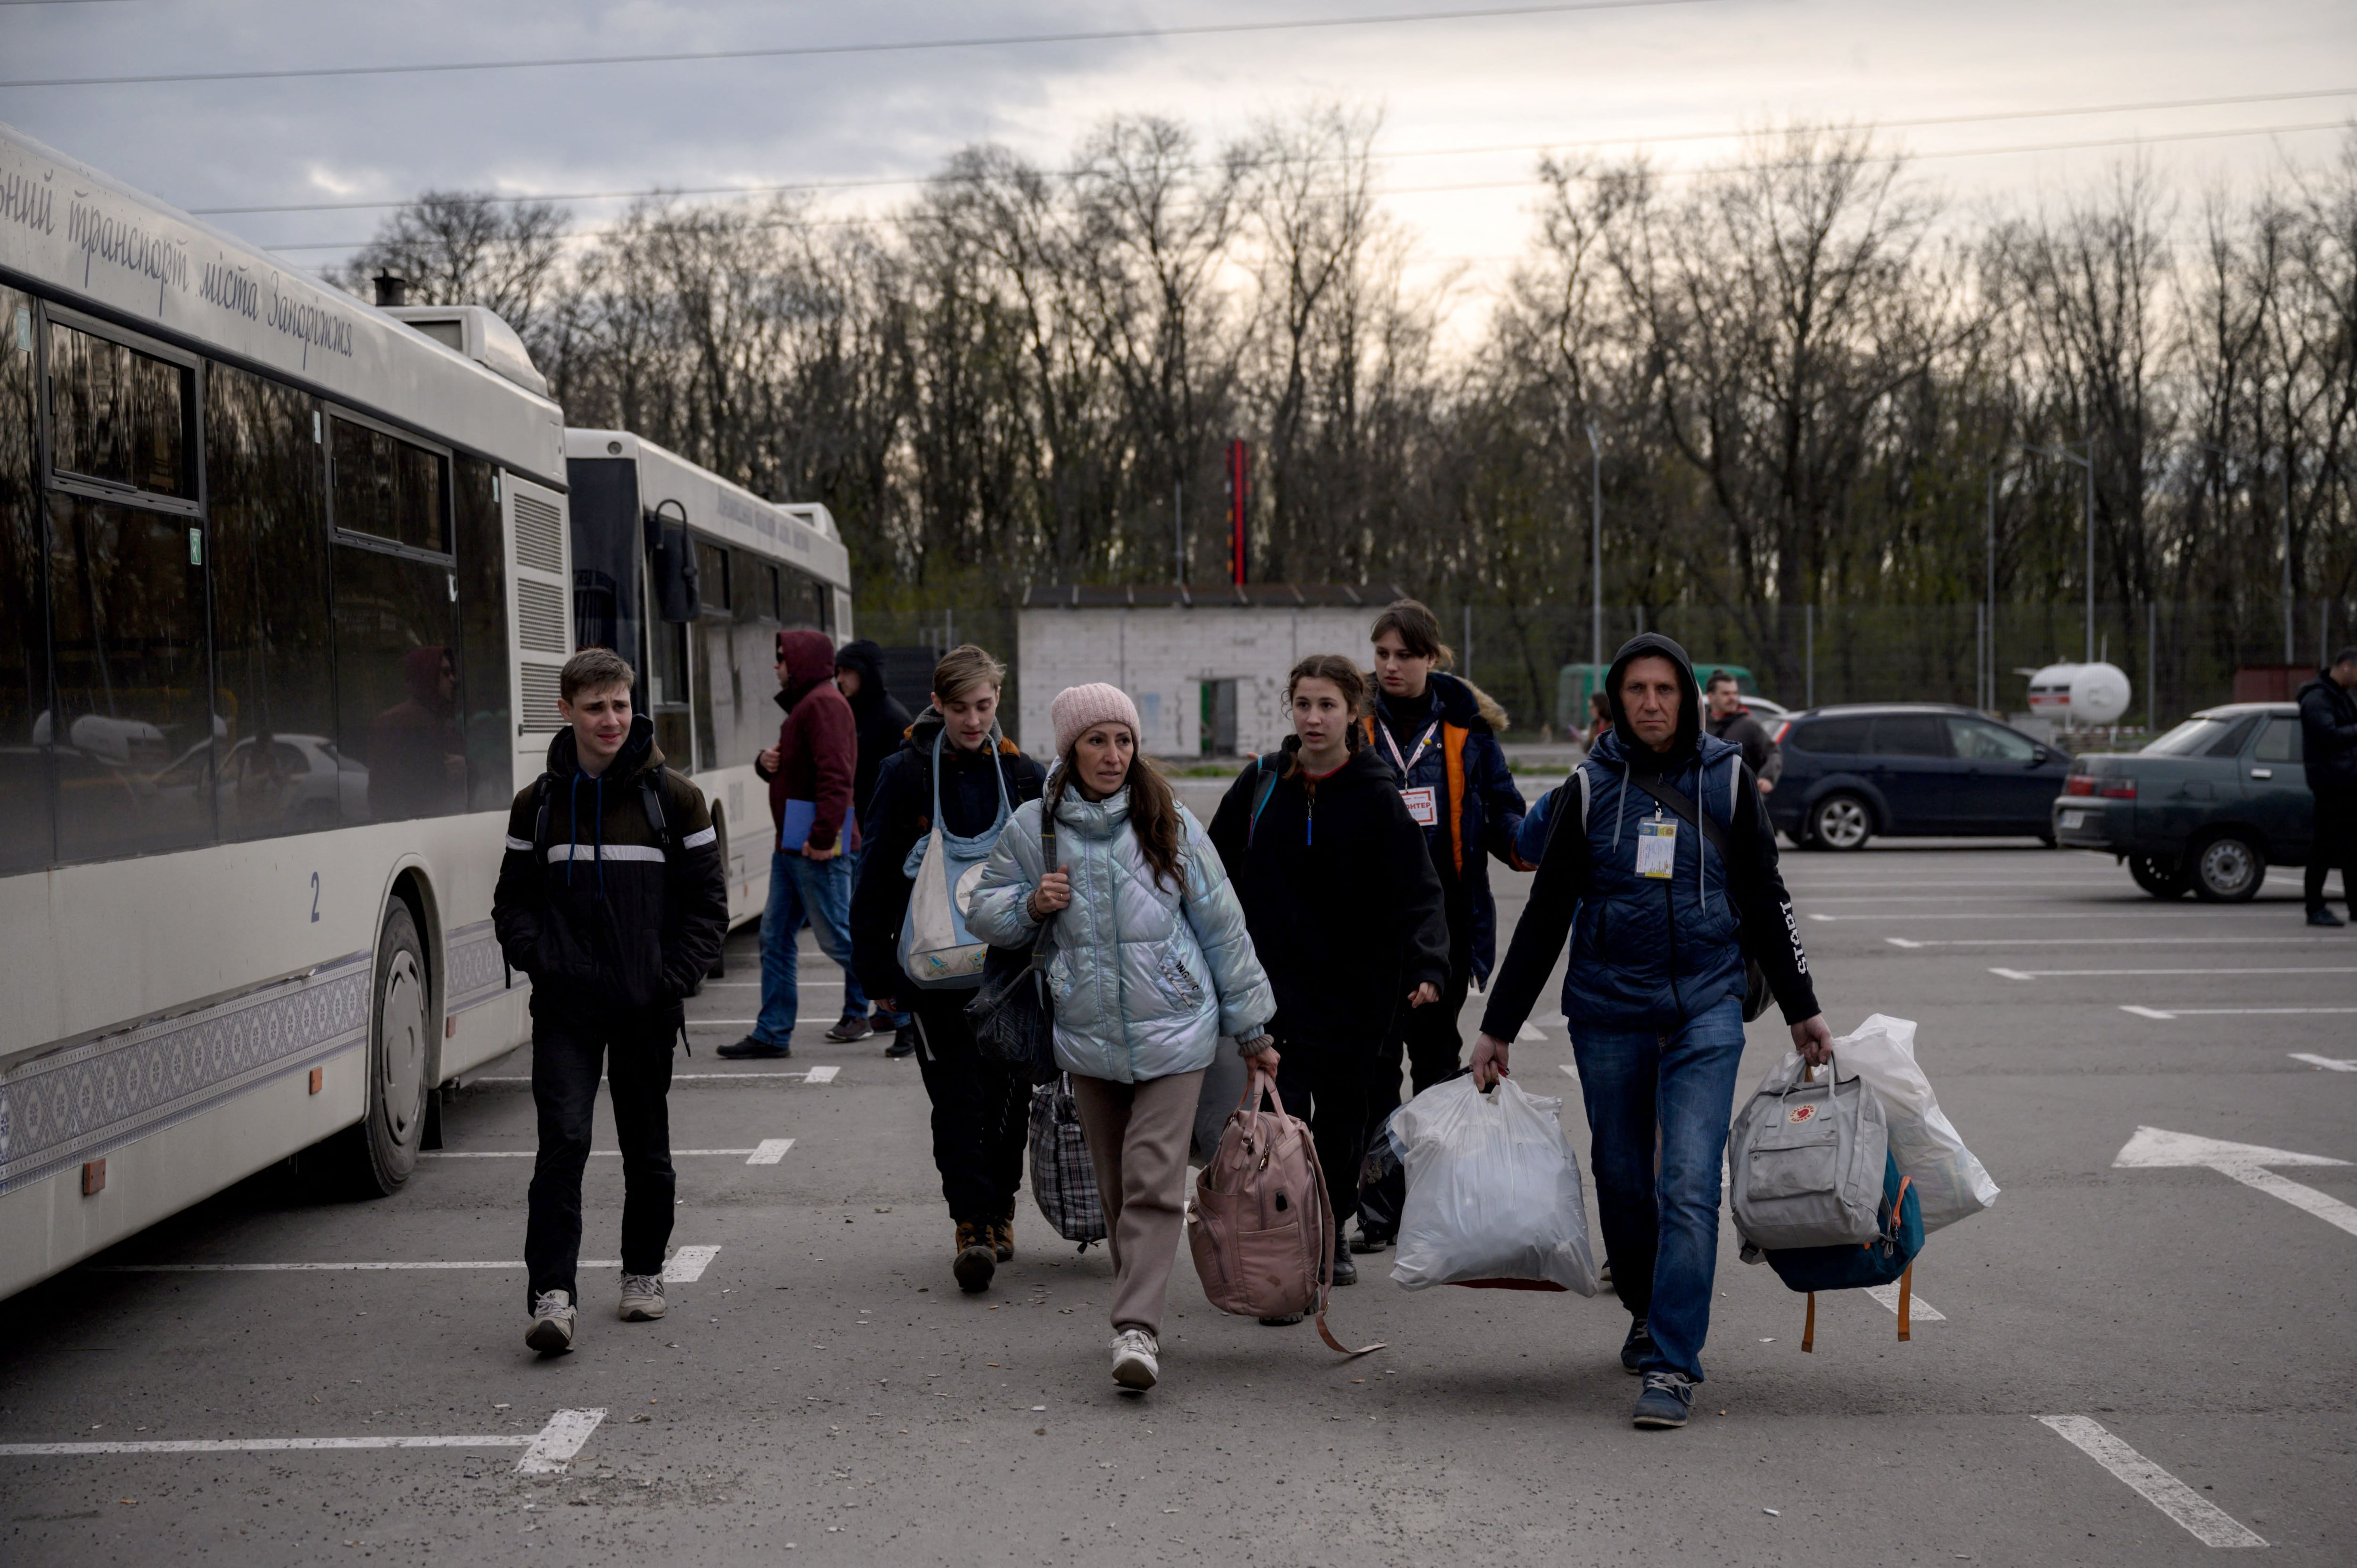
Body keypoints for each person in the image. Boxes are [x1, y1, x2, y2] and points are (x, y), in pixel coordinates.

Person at [1468, 632, 1833, 1431]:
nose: (1652, 703)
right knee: (1626, 1181)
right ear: (1616, 699)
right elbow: (1546, 913)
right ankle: (1642, 1305)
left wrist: (1804, 1008)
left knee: (1690, 1183)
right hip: (1606, 1010)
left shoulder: (1729, 779)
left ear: (1689, 696)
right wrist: (1497, 1026)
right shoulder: (1589, 787)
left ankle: (1673, 1361)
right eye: (1636, 689)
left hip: (1706, 1005)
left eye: (1666, 689)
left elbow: (1768, 901)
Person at [969, 683, 1275, 1392]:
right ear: (1070, 748)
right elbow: (984, 909)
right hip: (1087, 1036)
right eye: (1098, 740)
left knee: (1152, 1176)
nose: (1114, 755)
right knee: (1116, 1191)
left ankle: (1136, 1326)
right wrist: (1028, 902)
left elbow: (1224, 927)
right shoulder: (1031, 827)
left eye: (1124, 740)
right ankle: (1135, 1303)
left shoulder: (1168, 818)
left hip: (1178, 1028)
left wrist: (1252, 1027)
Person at [492, 647, 728, 1355]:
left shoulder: (674, 799)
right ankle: (552, 1294)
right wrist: (542, 960)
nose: (611, 719)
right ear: (566, 712)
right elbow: (512, 903)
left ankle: (643, 1271)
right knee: (562, 1144)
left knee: (646, 1148)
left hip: (645, 1006)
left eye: (621, 704)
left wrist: (671, 978)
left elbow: (706, 907)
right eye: (595, 707)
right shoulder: (537, 805)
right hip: (566, 1008)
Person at [1208, 655, 1449, 1296]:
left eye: (1328, 705)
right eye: (1304, 704)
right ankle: (1289, 1237)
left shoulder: (1375, 794)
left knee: (1342, 1125)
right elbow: (1209, 875)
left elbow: (1418, 889)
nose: (1313, 718)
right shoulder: (1259, 785)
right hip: (1272, 994)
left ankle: (1333, 1224)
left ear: (1354, 712)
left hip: (1357, 997)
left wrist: (1429, 960)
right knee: (1280, 1122)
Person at [850, 646, 1046, 1292]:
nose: (972, 719)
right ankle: (972, 1222)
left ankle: (1001, 1203)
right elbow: (874, 871)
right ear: (937, 703)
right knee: (957, 1099)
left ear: (998, 700)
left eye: (984, 705)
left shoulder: (1024, 775)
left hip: (1012, 967)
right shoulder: (904, 773)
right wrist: (873, 969)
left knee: (1009, 1097)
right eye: (959, 707)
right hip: (933, 971)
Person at [1354, 599, 1527, 1252]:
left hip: (1446, 925)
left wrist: (1532, 843)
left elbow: (1506, 814)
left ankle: (1429, 1198)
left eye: (1405, 654)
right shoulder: (1356, 721)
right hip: (1369, 928)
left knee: (1433, 1065)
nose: (1391, 666)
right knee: (1372, 1070)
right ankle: (1375, 1207)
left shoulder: (1467, 730)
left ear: (1433, 658)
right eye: (1382, 654)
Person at [726, 630, 869, 1058]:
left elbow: (836, 777)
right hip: (794, 843)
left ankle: (904, 1014)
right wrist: (765, 762)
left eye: (782, 657)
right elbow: (801, 771)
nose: (776, 665)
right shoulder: (811, 704)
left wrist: (823, 837)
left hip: (813, 845)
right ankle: (772, 1033)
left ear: (803, 660)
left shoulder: (823, 704)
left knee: (839, 940)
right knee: (775, 937)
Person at [835, 638, 918, 1051]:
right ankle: (887, 1013)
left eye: (847, 671)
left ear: (865, 673)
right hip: (863, 828)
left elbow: (893, 784)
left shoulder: (890, 717)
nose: (840, 680)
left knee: (883, 925)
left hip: (882, 836)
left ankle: (903, 1020)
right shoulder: (856, 712)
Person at [2298, 648, 2357, 927]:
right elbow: (2328, 736)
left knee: (2351, 849)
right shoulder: (2318, 697)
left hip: (2346, 783)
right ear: (2346, 667)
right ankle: (2315, 907)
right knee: (2323, 848)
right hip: (2331, 784)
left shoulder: (2339, 696)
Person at [1705, 673, 1781, 795]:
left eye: (1735, 693)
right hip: (1707, 800)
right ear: (1711, 697)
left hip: (1742, 800)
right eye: (1726, 694)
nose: (1733, 698)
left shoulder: (1748, 726)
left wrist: (1767, 777)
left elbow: (1773, 753)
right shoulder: (1702, 725)